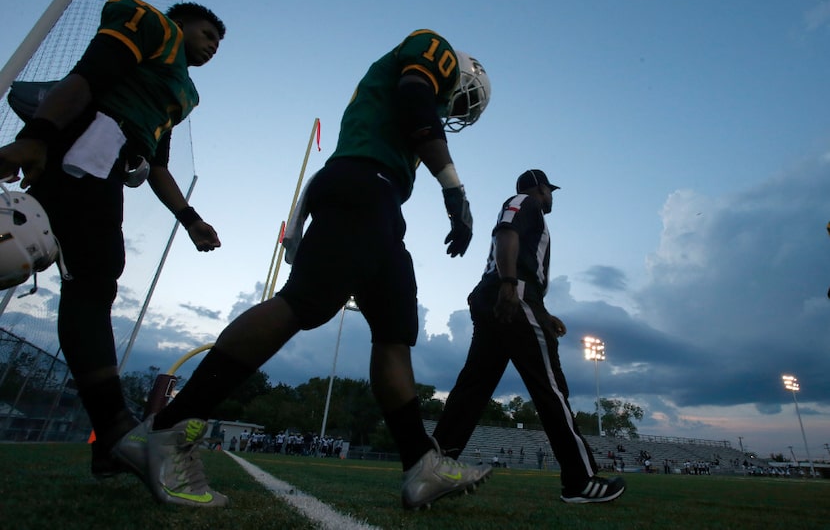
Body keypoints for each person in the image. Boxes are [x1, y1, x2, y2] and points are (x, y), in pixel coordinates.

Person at [112, 29, 492, 509]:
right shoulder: (425, 49)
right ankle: (168, 428)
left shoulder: (397, 111)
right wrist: (453, 187)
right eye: (462, 101)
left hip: (379, 197)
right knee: (304, 302)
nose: (453, 112)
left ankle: (421, 463)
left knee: (395, 331)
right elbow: (417, 99)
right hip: (363, 187)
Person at [0, 0, 224, 482]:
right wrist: (38, 134)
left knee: (86, 274)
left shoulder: (182, 92)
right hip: (84, 139)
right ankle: (113, 431)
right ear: (180, 23)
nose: (212, 47)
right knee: (71, 267)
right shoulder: (153, 27)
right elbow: (87, 76)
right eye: (207, 34)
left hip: (108, 159)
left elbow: (157, 161)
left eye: (218, 44)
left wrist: (190, 219)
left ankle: (111, 434)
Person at [432, 169, 626, 504]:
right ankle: (580, 480)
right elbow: (505, 232)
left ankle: (432, 470)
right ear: (540, 188)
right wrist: (511, 285)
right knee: (550, 388)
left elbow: (515, 251)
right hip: (514, 295)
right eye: (549, 191)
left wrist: (543, 313)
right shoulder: (525, 202)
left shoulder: (528, 210)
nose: (551, 197)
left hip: (503, 297)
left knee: (472, 388)